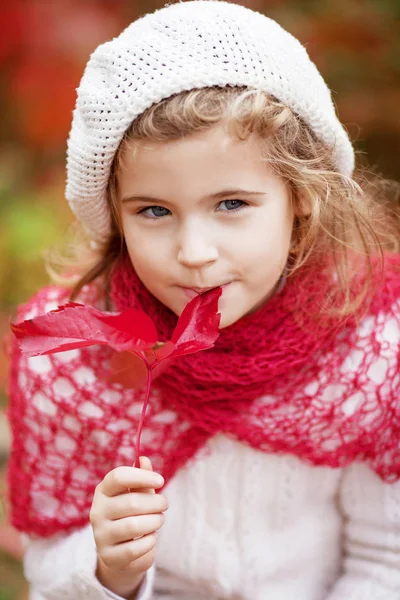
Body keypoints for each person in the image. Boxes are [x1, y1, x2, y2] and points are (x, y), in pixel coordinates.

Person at [6, 1, 400, 599]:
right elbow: (46, 573)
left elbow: (386, 560)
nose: (194, 252)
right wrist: (109, 570)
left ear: (302, 199)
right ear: (115, 217)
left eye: (232, 204)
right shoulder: (77, 363)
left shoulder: (365, 349)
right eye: (155, 211)